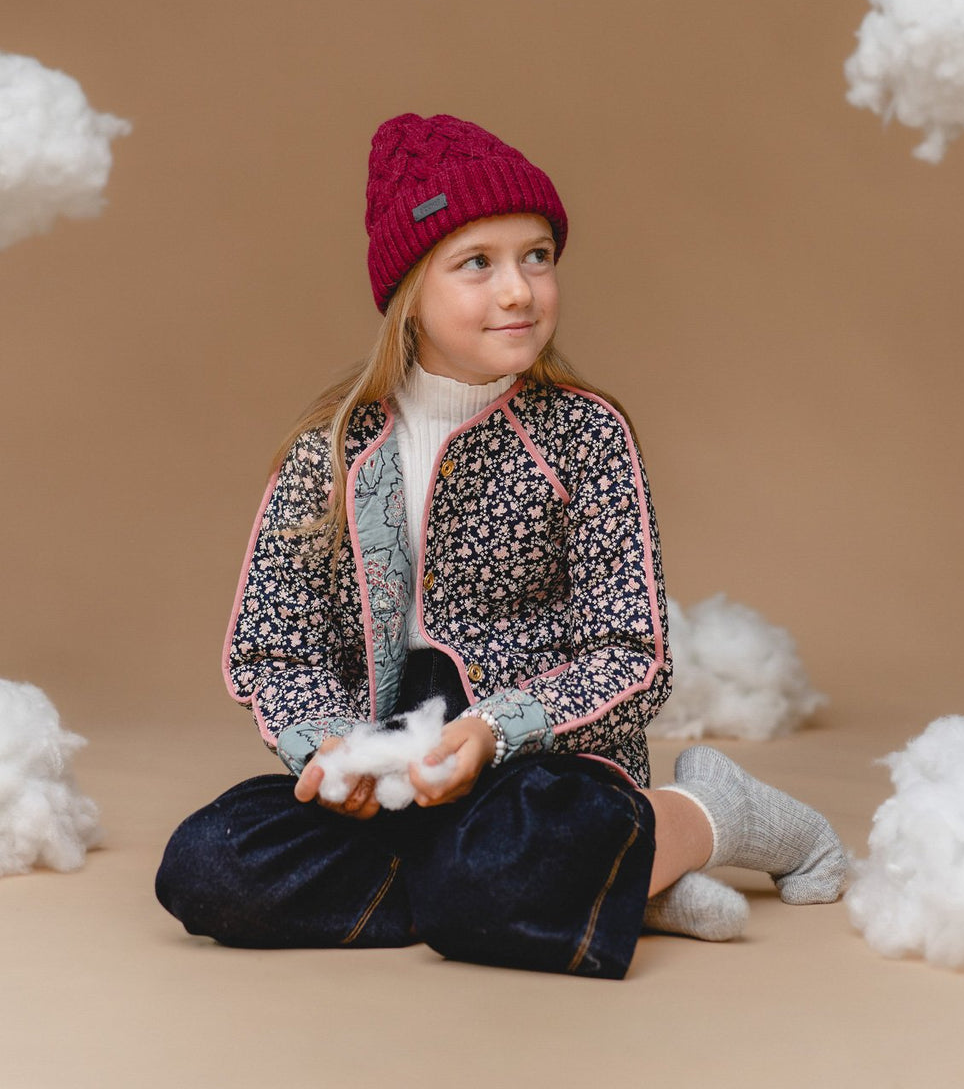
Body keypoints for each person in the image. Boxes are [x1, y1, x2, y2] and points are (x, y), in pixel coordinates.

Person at [156, 112, 846, 978]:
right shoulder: (331, 451)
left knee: (504, 856)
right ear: (409, 290)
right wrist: (331, 746)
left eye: (538, 256)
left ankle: (701, 816)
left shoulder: (583, 436)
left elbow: (632, 650)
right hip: (400, 780)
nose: (519, 290)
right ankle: (611, 883)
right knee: (210, 863)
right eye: (477, 263)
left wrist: (494, 730)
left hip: (542, 773)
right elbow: (274, 647)